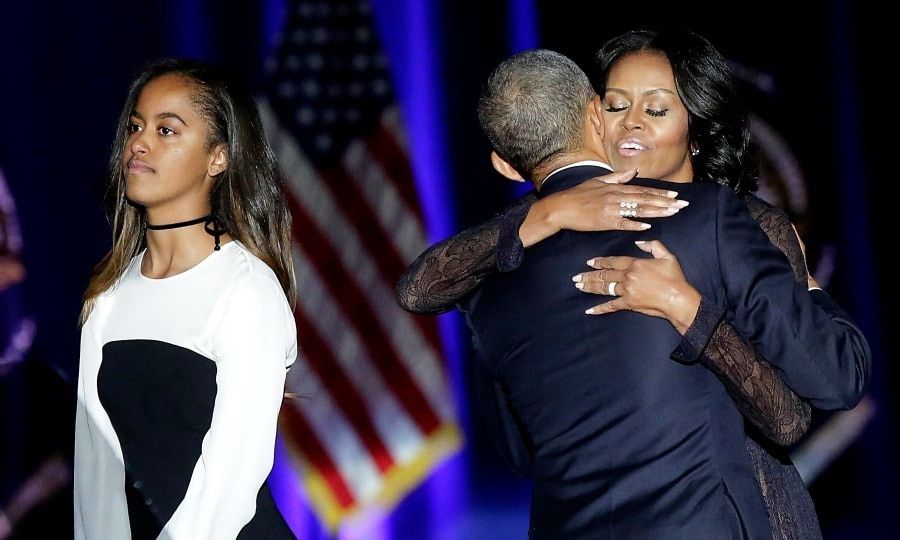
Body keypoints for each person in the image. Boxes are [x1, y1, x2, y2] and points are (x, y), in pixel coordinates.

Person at [396, 30, 860, 539]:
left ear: (696, 131)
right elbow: (422, 291)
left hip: (746, 506)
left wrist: (686, 306)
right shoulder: (513, 247)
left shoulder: (742, 222)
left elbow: (806, 403)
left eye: (657, 110)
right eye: (617, 106)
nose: (632, 122)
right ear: (593, 116)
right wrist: (545, 213)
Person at [74, 59, 297, 539]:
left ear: (218, 158)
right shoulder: (108, 295)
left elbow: (230, 482)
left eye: (167, 129)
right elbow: (96, 475)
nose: (139, 142)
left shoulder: (246, 291)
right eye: (136, 126)